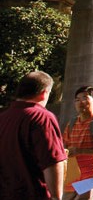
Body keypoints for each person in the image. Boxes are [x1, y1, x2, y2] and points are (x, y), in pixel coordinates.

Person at [0, 71, 68, 200]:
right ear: (44, 93)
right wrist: (56, 196)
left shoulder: (3, 117)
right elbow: (52, 161)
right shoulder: (42, 117)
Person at [63, 85, 93, 200]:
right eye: (77, 99)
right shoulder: (71, 123)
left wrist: (80, 151)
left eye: (85, 98)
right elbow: (63, 145)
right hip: (71, 176)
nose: (80, 102)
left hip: (92, 175)